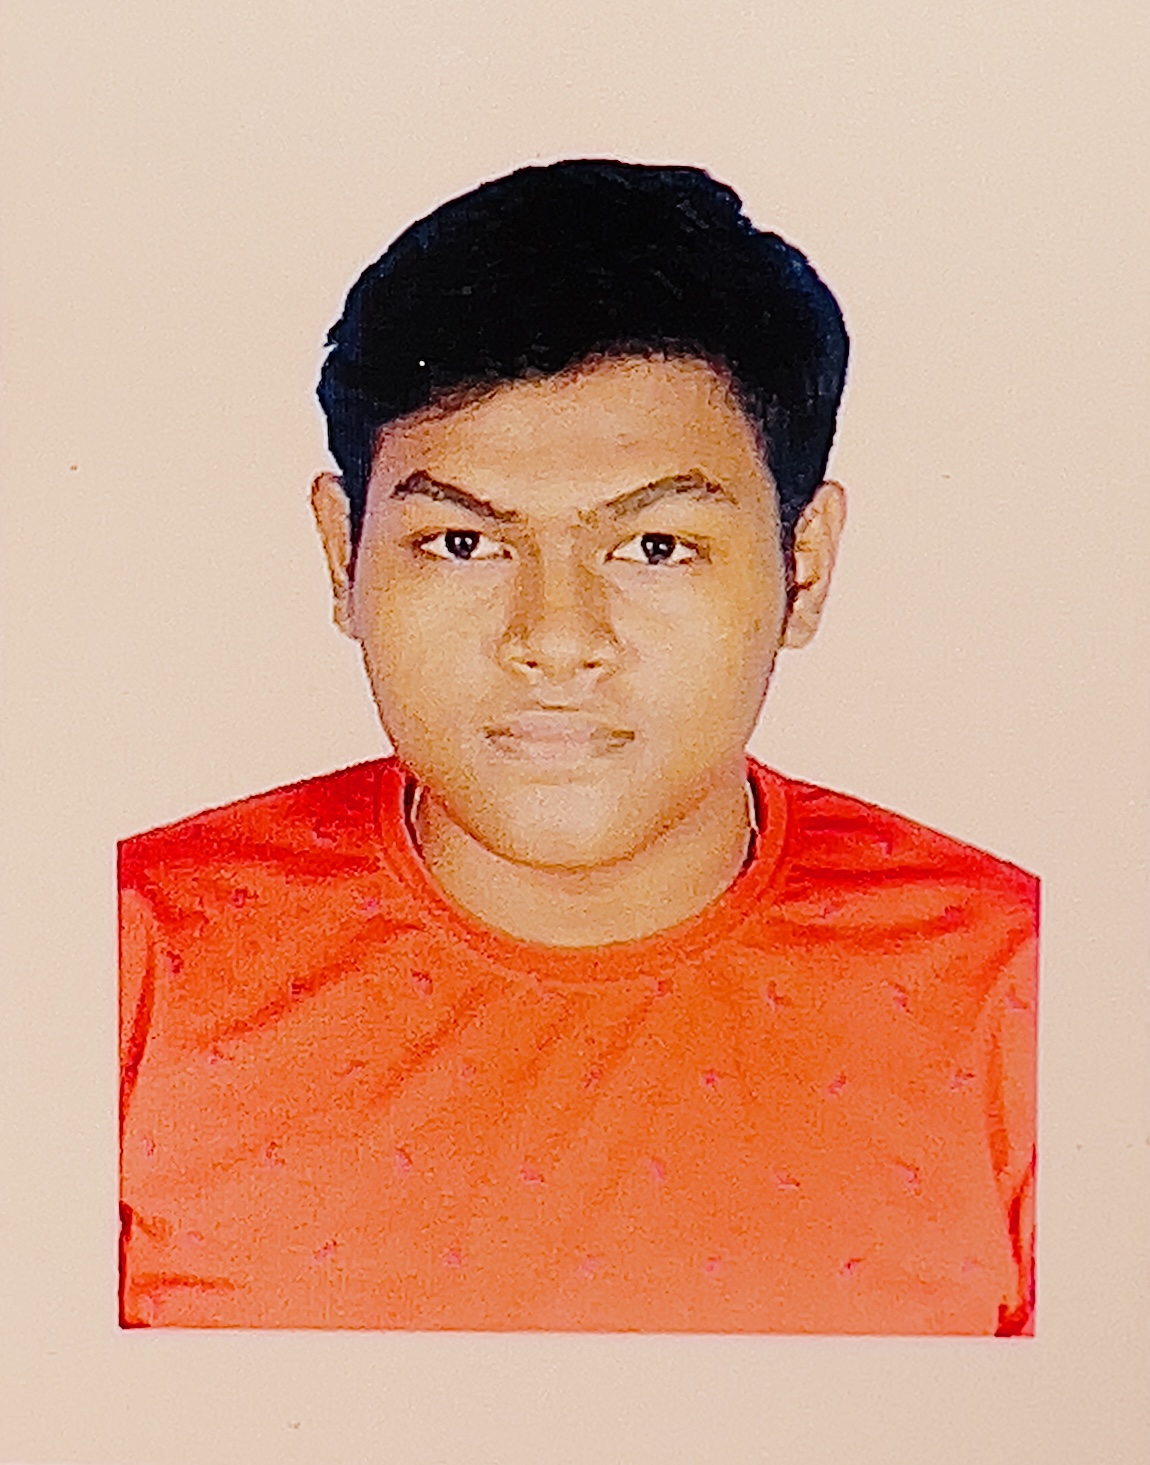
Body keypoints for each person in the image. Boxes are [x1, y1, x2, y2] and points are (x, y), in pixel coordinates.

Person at [118, 160, 1037, 1334]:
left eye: (653, 547)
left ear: (802, 566)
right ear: (343, 555)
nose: (555, 640)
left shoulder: (1026, 990)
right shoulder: (119, 959)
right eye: (463, 543)